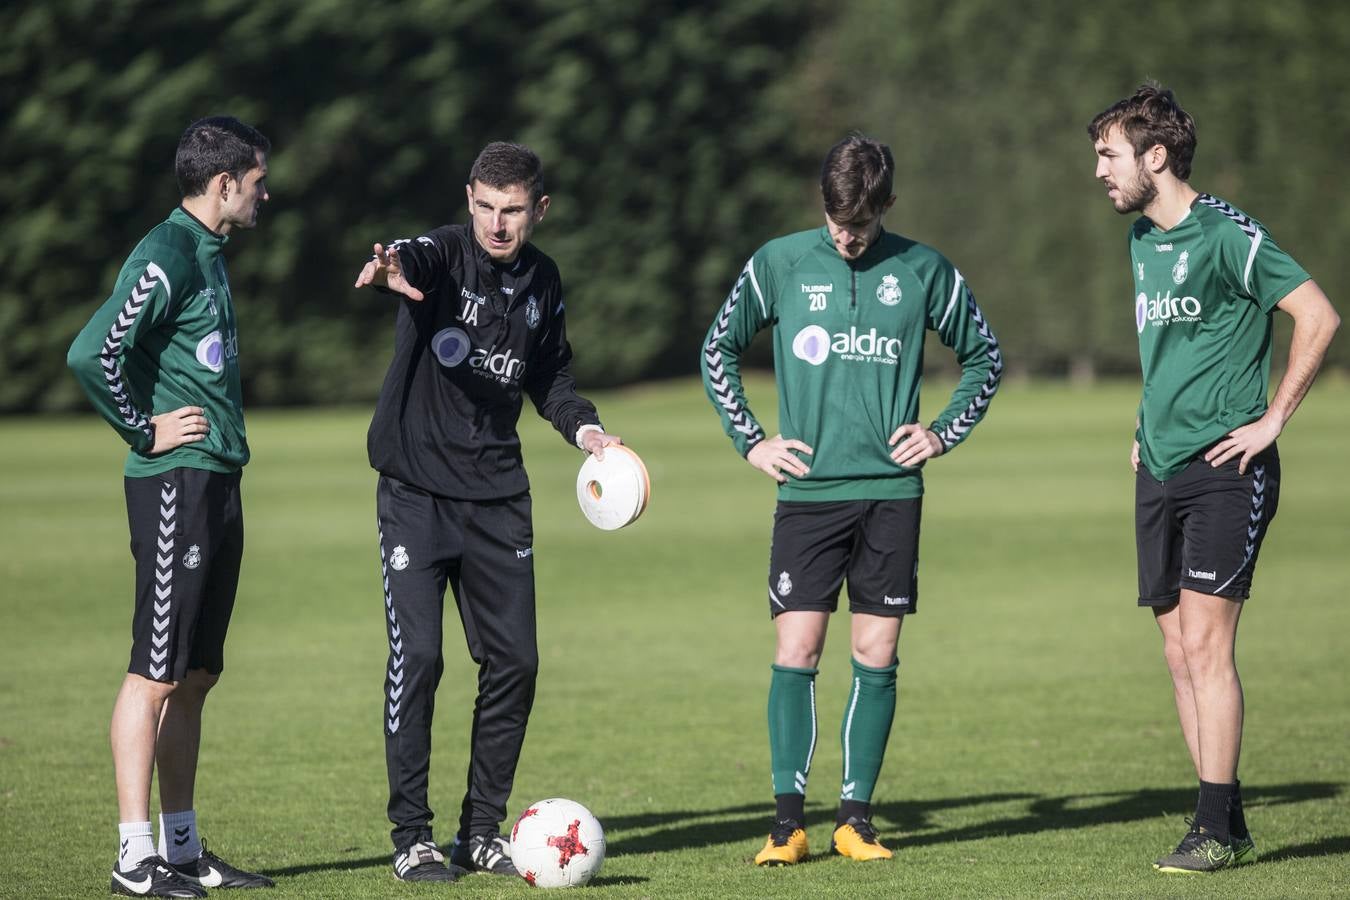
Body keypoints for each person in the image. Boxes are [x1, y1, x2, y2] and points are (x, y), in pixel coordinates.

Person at [700, 134, 1003, 866]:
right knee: (797, 648)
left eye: (861, 225)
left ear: (887, 208)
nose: (847, 234)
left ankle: (855, 820)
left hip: (892, 494)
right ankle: (786, 825)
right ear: (823, 203)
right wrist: (753, 442)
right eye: (838, 220)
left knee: (876, 651)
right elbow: (718, 349)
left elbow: (985, 357)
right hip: (808, 495)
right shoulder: (778, 262)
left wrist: (939, 434)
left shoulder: (924, 268)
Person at [354, 141, 623, 883]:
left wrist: (586, 429)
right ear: (468, 198)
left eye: (512, 211)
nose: (496, 225)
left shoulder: (543, 279)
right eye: (484, 207)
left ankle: (480, 832)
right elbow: (412, 259)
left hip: (499, 497)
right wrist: (394, 270)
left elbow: (553, 377)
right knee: (422, 660)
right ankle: (413, 836)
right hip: (415, 493)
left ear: (539, 209)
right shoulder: (440, 253)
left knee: (515, 663)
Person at [1088, 84, 1340, 873]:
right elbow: (1174, 355)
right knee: (1175, 649)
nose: (1099, 170)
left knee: (1206, 643)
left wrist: (1270, 422)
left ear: (1154, 156)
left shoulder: (1230, 234)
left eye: (1109, 154)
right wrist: (1142, 426)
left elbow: (1319, 316)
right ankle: (1225, 820)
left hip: (1227, 469)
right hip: (1158, 467)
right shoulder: (1139, 241)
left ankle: (1210, 830)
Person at [67, 117, 276, 897]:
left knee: (193, 675)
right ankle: (133, 857)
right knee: (152, 673)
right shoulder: (167, 253)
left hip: (217, 478)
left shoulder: (209, 253)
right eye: (258, 181)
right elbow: (93, 351)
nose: (265, 193)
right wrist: (141, 427)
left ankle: (182, 849)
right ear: (223, 184)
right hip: (174, 484)